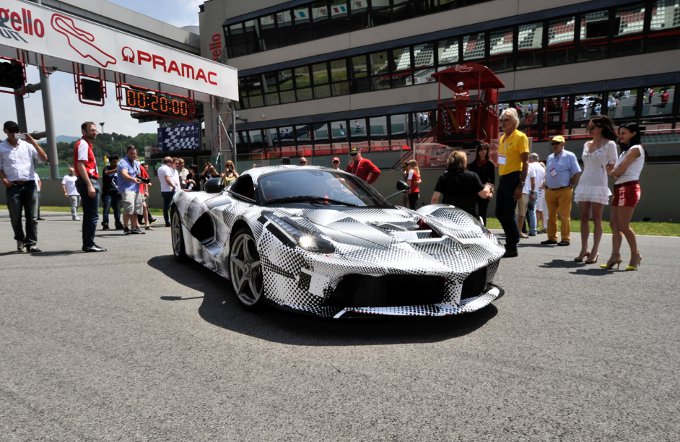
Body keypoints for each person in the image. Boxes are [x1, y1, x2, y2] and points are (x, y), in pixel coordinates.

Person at [573, 116, 618, 264]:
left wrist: (609, 171)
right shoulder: (587, 144)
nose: (589, 130)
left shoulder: (610, 144)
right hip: (585, 181)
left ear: (601, 127)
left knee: (597, 218)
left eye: (592, 127)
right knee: (584, 217)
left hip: (599, 183)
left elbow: (613, 164)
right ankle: (584, 248)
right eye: (588, 127)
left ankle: (595, 250)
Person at [601, 122, 645, 271]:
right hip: (620, 188)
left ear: (633, 133)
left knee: (623, 226)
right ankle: (615, 256)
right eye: (619, 133)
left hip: (629, 187)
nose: (620, 136)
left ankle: (635, 255)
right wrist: (613, 171)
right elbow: (616, 172)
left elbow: (619, 172)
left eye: (624, 133)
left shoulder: (635, 149)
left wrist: (612, 171)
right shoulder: (623, 152)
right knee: (613, 224)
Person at [0, 121, 49, 253]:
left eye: (16, 130)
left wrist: (33, 142)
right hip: (13, 186)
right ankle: (20, 239)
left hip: (30, 184)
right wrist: (4, 179)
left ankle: (31, 243)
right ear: (5, 131)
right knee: (15, 216)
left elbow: (44, 158)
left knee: (32, 217)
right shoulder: (1, 148)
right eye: (11, 131)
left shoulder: (27, 145)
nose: (14, 133)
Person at [496, 108, 529, 258]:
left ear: (515, 121)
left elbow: (525, 162)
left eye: (506, 120)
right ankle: (513, 238)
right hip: (503, 178)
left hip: (514, 177)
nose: (503, 122)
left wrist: (520, 184)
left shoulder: (520, 137)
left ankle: (512, 245)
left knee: (508, 214)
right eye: (501, 120)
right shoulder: (503, 138)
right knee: (499, 212)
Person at [541, 135, 582, 247]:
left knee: (564, 215)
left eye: (557, 143)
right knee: (551, 215)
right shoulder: (550, 157)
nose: (554, 145)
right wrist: (545, 183)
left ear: (563, 144)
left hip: (564, 190)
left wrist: (571, 184)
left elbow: (577, 171)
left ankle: (565, 238)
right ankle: (552, 238)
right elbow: (548, 172)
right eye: (553, 143)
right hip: (550, 190)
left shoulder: (570, 155)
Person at [74, 121, 106, 252]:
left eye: (95, 130)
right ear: (84, 131)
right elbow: (80, 165)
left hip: (89, 180)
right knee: (92, 215)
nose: (95, 132)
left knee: (90, 214)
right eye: (92, 130)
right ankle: (89, 244)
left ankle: (89, 242)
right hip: (88, 181)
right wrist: (89, 185)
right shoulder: (82, 144)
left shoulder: (86, 145)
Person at [431, 150, 493, 216]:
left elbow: (435, 199)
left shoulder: (444, 177)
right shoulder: (472, 176)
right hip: (467, 216)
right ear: (464, 162)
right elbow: (484, 195)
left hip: (449, 215)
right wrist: (487, 186)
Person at [117, 145, 144, 235]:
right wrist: (133, 179)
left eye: (135, 153)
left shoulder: (136, 163)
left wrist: (142, 180)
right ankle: (125, 227)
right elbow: (124, 174)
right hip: (126, 189)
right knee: (129, 208)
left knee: (136, 209)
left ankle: (134, 228)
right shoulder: (122, 162)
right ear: (127, 153)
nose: (133, 155)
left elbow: (138, 175)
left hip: (135, 188)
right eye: (131, 153)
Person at [468, 142, 495, 226]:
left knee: (483, 211)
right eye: (481, 150)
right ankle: (473, 227)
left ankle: (483, 230)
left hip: (485, 190)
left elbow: (492, 180)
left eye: (485, 150)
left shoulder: (490, 164)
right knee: (471, 210)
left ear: (487, 151)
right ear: (478, 152)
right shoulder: (472, 164)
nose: (483, 151)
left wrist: (491, 192)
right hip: (473, 191)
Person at [518, 153, 543, 237]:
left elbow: (532, 180)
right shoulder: (542, 168)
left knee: (522, 211)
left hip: (528, 190)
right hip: (536, 190)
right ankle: (533, 230)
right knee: (532, 211)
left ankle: (521, 229)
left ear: (531, 158)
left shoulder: (530, 165)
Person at [101, 155, 123, 230]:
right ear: (110, 162)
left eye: (117, 162)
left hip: (117, 192)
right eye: (114, 162)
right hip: (108, 193)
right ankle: (105, 223)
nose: (116, 164)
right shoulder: (106, 168)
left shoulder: (120, 170)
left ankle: (118, 223)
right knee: (106, 209)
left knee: (117, 209)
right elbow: (106, 173)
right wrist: (116, 170)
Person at [158, 156, 178, 227]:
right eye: (171, 162)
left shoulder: (160, 168)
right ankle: (174, 221)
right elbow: (167, 179)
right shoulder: (167, 169)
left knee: (165, 207)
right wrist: (173, 186)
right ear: (169, 162)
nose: (171, 164)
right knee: (173, 206)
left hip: (163, 190)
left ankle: (167, 221)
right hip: (169, 190)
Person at [138, 162, 153, 231]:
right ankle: (136, 224)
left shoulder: (142, 171)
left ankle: (147, 224)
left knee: (144, 207)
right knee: (136, 208)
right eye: (145, 168)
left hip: (142, 191)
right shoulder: (134, 169)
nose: (146, 169)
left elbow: (146, 181)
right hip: (135, 190)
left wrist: (146, 191)